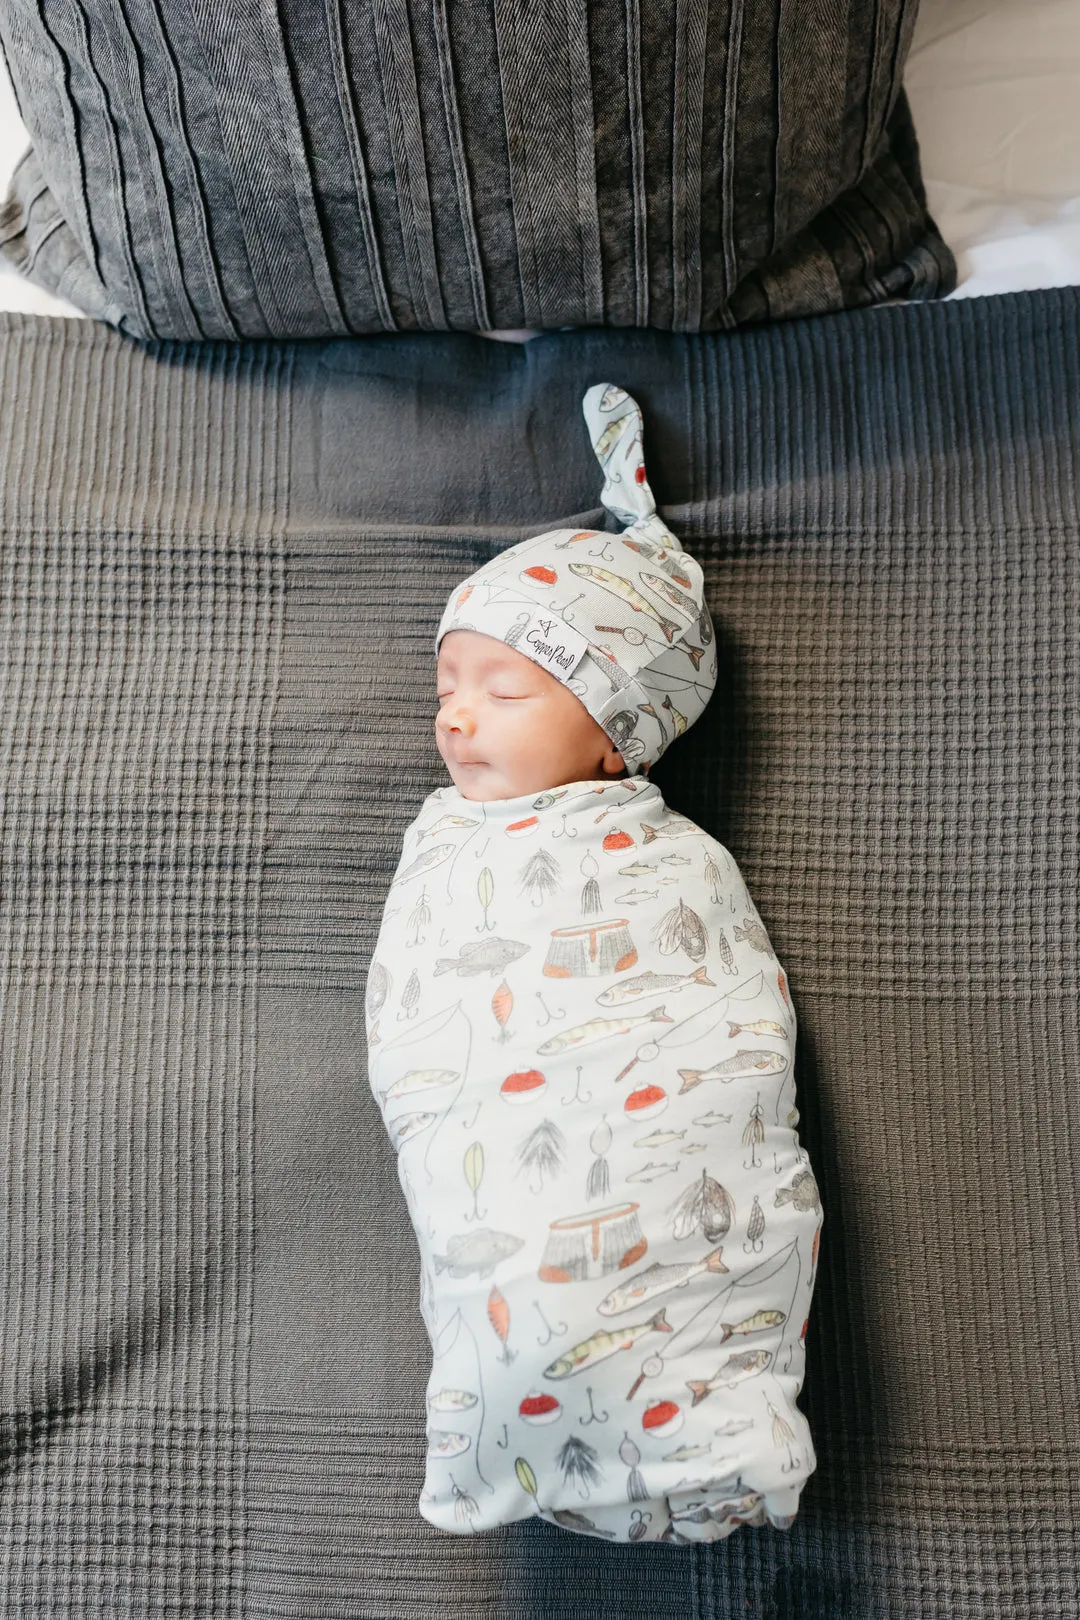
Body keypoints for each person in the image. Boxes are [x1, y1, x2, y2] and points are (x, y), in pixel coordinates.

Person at [364, 386, 822, 1544]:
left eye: (503, 689)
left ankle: (713, 1416)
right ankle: (515, 1424)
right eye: (447, 689)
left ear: (619, 731)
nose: (458, 719)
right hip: (497, 1161)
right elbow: (427, 1031)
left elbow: (725, 1031)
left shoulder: (663, 861)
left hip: (646, 1151)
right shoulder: (448, 844)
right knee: (503, 1249)